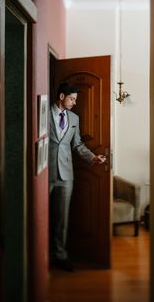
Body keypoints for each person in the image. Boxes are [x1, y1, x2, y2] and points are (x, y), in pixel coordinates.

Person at [49, 82, 106, 272]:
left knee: (61, 219)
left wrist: (92, 157)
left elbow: (77, 144)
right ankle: (38, 254)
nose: (74, 102)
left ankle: (60, 255)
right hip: (42, 173)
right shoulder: (43, 112)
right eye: (72, 99)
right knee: (38, 215)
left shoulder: (74, 118)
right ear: (62, 96)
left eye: (75, 99)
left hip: (66, 175)